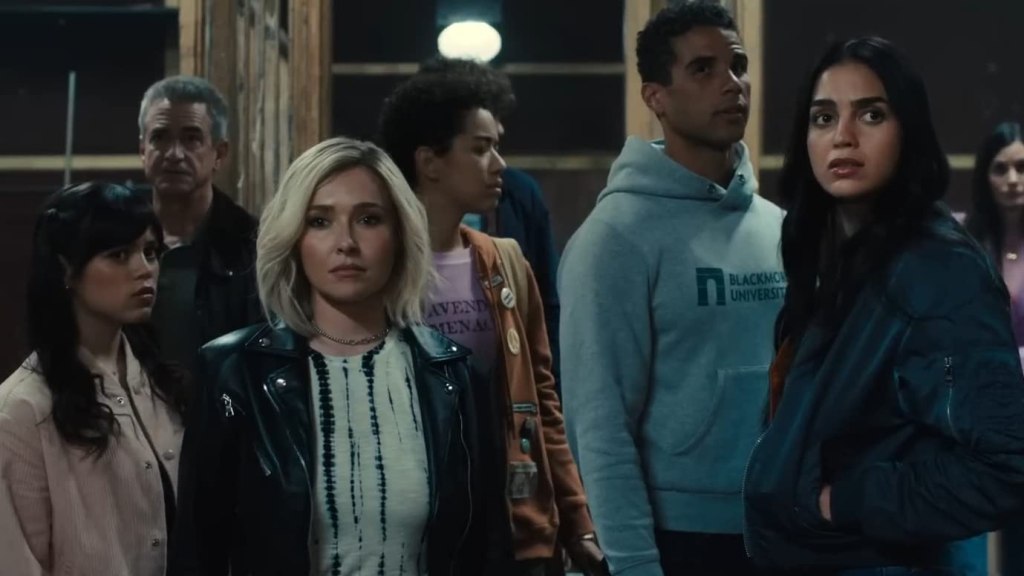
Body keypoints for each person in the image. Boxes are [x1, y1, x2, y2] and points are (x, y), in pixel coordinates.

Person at [743, 36, 1024, 575]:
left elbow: (1003, 469)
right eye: (824, 118)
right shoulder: (830, 255)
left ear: (907, 130)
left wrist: (844, 501)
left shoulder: (940, 270)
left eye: (871, 114)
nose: (843, 137)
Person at [171, 137, 485, 575]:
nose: (346, 243)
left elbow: (486, 548)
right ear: (294, 238)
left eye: (369, 219)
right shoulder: (234, 372)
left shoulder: (451, 374)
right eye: (320, 221)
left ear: (400, 235)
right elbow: (197, 551)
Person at [558, 2, 784, 575]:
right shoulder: (613, 239)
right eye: (703, 69)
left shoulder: (778, 228)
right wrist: (634, 564)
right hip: (677, 537)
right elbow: (601, 424)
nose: (731, 84)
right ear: (655, 97)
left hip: (783, 526)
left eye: (738, 65)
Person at [377, 64, 604, 575]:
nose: (498, 164)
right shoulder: (378, 269)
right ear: (429, 161)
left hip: (512, 524)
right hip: (413, 525)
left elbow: (542, 402)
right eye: (480, 148)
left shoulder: (505, 262)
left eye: (496, 146)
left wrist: (577, 522)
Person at [0, 182, 188, 576]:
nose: (144, 270)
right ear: (67, 268)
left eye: (150, 252)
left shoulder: (159, 382)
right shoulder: (23, 409)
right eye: (119, 255)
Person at [418, 57, 564, 397]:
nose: (496, 161)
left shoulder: (518, 194)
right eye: (480, 146)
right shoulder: (387, 217)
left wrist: (546, 398)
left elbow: (546, 305)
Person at [138, 75, 262, 370]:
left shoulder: (254, 249)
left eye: (191, 138)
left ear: (219, 153)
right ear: (143, 150)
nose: (174, 154)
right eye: (160, 137)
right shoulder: (116, 242)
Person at [966, 121, 1024, 576]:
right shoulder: (965, 240)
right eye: (1000, 168)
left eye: (1022, 168)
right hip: (981, 406)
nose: (1012, 180)